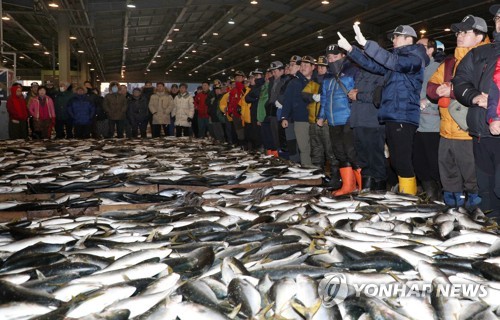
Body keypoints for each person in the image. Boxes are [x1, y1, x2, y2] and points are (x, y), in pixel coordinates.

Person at [338, 24, 429, 195]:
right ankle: (404, 195)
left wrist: (367, 44)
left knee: (402, 161)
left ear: (408, 38)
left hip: (403, 115)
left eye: (396, 36)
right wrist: (352, 49)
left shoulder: (415, 58)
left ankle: (408, 198)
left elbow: (391, 61)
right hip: (392, 115)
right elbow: (373, 66)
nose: (393, 40)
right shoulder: (396, 60)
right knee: (395, 160)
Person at [428, 15, 488, 208]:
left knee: (473, 173)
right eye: (458, 32)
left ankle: (476, 209)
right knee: (448, 170)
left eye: (465, 32)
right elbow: (431, 87)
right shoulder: (449, 63)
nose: (459, 35)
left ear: (479, 36)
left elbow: (484, 90)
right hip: (446, 130)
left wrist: (452, 91)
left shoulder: (486, 59)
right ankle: (452, 205)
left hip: (469, 132)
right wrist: (438, 90)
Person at [453, 4, 500, 219]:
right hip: (482, 130)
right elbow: (461, 79)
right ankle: (491, 229)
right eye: (498, 19)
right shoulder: (480, 53)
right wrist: (473, 96)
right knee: (486, 186)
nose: (499, 22)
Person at [317, 45, 358, 195]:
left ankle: (361, 186)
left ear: (342, 56)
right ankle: (348, 185)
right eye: (329, 58)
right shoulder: (328, 76)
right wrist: (321, 116)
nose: (331, 60)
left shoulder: (352, 71)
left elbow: (356, 93)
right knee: (339, 152)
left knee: (352, 152)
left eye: (335, 56)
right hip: (333, 120)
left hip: (348, 118)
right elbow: (325, 98)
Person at [413, 37, 442, 200]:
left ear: (430, 50)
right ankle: (430, 194)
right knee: (419, 162)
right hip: (414, 124)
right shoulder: (414, 69)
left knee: (434, 162)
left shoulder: (438, 68)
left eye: (420, 46)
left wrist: (429, 102)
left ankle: (442, 195)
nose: (416, 48)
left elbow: (444, 91)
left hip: (432, 125)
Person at [282, 55, 315, 166]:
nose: (303, 67)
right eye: (301, 65)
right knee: (304, 148)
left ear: (313, 67)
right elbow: (287, 101)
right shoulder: (294, 82)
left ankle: (318, 171)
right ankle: (308, 171)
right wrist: (284, 117)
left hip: (317, 120)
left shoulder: (318, 81)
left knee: (317, 148)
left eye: (306, 65)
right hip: (301, 120)